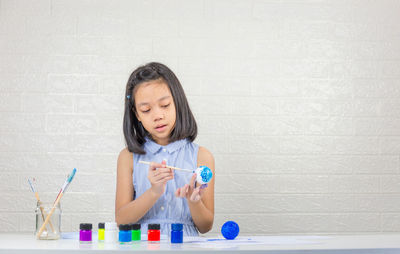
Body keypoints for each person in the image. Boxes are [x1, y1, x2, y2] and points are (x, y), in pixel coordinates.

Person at [115, 62, 215, 236]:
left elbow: (206, 226)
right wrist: (154, 191)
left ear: (177, 102)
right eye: (146, 110)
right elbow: (121, 220)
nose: (158, 116)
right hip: (141, 246)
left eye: (165, 105)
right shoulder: (128, 157)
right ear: (136, 114)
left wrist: (194, 201)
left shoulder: (202, 156)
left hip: (186, 246)